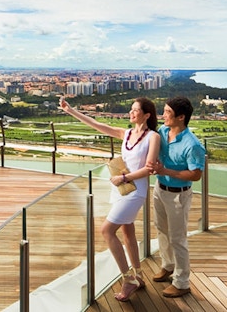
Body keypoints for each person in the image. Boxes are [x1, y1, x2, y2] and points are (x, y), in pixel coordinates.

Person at [60, 96, 160, 301]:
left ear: (147, 115)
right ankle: (138, 275)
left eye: (135, 110)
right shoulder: (127, 133)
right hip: (121, 189)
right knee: (127, 233)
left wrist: (123, 177)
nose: (131, 113)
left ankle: (127, 279)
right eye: (131, 109)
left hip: (135, 191)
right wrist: (71, 110)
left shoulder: (153, 137)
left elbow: (149, 168)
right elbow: (97, 125)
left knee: (106, 230)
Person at [147, 96, 206, 299]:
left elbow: (196, 175)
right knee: (161, 230)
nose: (163, 115)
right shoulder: (163, 132)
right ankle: (168, 265)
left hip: (178, 196)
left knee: (178, 238)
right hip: (159, 189)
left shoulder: (193, 145)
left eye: (168, 113)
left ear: (181, 117)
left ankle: (182, 282)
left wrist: (166, 170)